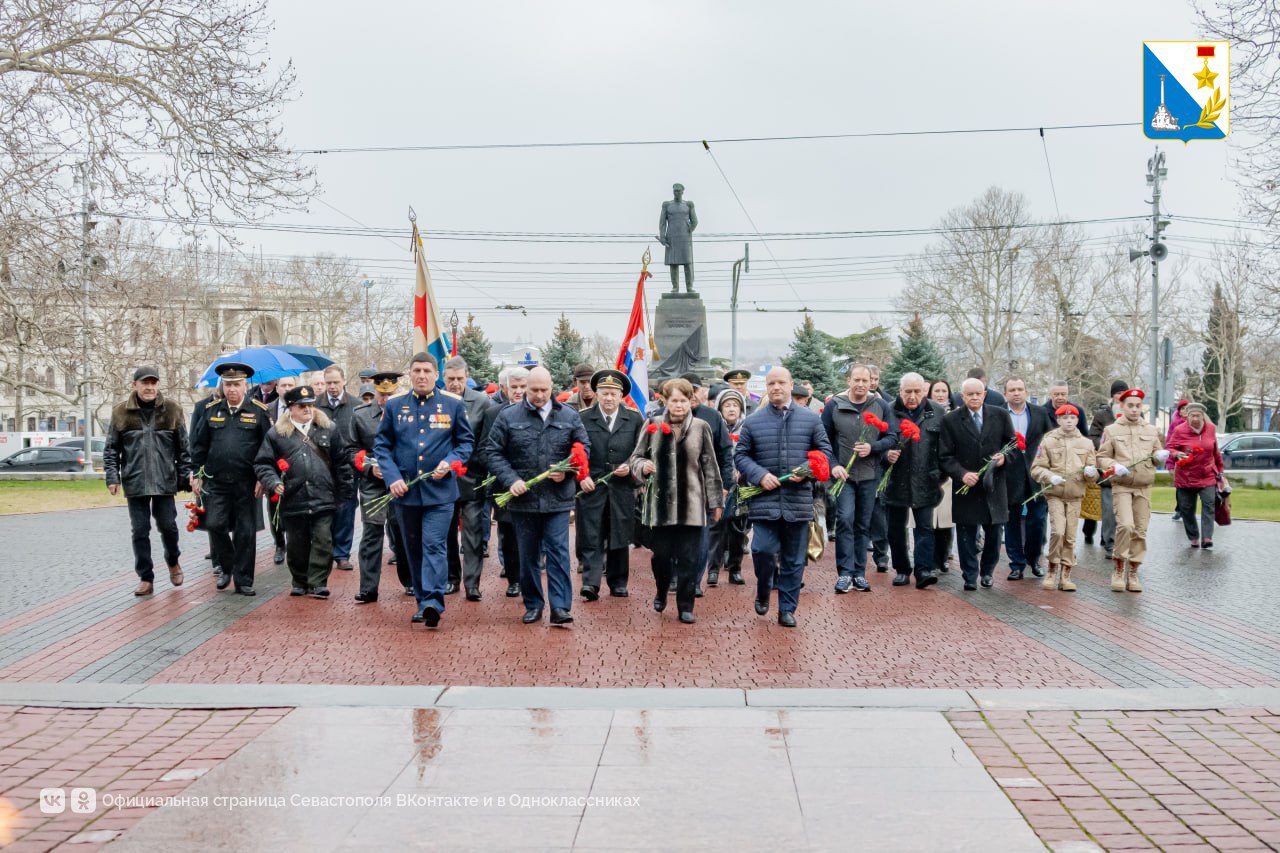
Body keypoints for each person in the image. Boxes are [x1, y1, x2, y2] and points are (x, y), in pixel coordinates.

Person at [372, 352, 473, 627]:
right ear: (411, 373)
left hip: (440, 492)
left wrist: (450, 463)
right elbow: (382, 445)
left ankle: (432, 601)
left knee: (434, 544)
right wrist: (391, 477)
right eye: (417, 370)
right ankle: (421, 600)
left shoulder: (452, 404)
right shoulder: (394, 406)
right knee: (413, 548)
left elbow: (465, 443)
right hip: (405, 492)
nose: (422, 376)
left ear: (436, 374)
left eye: (427, 371)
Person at [483, 365, 590, 626]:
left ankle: (561, 607)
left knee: (558, 552)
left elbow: (583, 447)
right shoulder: (509, 416)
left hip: (557, 498)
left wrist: (567, 471)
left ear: (551, 388)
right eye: (534, 390)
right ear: (525, 389)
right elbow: (493, 451)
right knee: (528, 554)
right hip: (523, 499)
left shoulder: (568, 415)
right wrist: (511, 480)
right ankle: (533, 604)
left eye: (543, 390)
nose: (539, 395)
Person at [735, 366, 834, 627]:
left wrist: (808, 471)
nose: (776, 387)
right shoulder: (754, 421)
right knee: (762, 549)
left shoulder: (811, 419)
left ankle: (787, 608)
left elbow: (824, 451)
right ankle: (764, 588)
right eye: (771, 384)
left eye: (780, 382)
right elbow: (741, 455)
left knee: (793, 558)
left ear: (791, 385)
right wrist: (758, 475)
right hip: (765, 500)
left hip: (797, 500)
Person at [630, 378, 723, 623]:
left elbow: (710, 467)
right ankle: (661, 590)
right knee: (661, 555)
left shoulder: (701, 427)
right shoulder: (653, 424)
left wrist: (716, 502)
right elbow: (635, 458)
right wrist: (642, 466)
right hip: (661, 504)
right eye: (674, 401)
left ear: (691, 401)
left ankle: (685, 605)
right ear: (665, 401)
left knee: (690, 558)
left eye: (684, 400)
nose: (679, 405)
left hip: (692, 503)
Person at [255, 384, 354, 600]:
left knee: (323, 541)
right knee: (297, 543)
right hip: (293, 497)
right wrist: (272, 482)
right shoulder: (276, 434)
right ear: (290, 408)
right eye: (301, 406)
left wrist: (344, 494)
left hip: (323, 496)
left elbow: (341, 462)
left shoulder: (329, 428)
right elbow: (263, 463)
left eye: (310, 405)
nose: (307, 409)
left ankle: (318, 582)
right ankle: (299, 580)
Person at [105, 366, 192, 596]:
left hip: (165, 481)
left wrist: (184, 477)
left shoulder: (172, 410)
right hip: (135, 481)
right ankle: (146, 577)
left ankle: (173, 561)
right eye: (145, 383)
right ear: (135, 385)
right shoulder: (120, 413)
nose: (150, 387)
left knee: (169, 526)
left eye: (154, 383)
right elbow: (111, 450)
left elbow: (183, 448)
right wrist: (112, 477)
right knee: (140, 531)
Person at [188, 362, 272, 596]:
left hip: (247, 482)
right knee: (215, 524)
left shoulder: (258, 411)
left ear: (245, 385)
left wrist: (263, 477)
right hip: (216, 481)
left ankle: (244, 579)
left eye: (236, 384)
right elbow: (199, 445)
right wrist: (196, 473)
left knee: (245, 531)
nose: (232, 389)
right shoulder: (211, 410)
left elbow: (267, 449)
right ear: (222, 386)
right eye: (228, 384)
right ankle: (226, 567)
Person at [823, 364, 896, 593]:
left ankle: (859, 573)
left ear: (871, 382)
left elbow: (892, 436)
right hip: (843, 476)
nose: (861, 384)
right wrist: (833, 466)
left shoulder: (880, 405)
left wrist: (873, 447)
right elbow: (823, 440)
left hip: (869, 475)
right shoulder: (834, 405)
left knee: (863, 524)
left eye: (865, 380)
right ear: (848, 380)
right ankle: (844, 574)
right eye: (857, 380)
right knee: (845, 520)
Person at [940, 378, 1015, 591]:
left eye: (978, 393)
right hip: (967, 487)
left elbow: (1012, 445)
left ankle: (987, 571)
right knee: (966, 534)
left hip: (994, 485)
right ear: (962, 396)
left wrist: (1004, 458)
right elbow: (945, 456)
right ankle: (970, 575)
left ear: (984, 394)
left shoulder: (1000, 415)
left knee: (994, 533)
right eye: (969, 394)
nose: (974, 397)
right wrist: (961, 475)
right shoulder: (951, 420)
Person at [578, 369, 643, 599]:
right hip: (592, 486)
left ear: (621, 396)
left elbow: (641, 451)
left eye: (613, 394)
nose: (608, 398)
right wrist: (581, 476)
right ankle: (591, 583)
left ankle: (618, 582)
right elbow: (575, 451)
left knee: (619, 534)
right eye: (604, 393)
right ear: (596, 393)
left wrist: (629, 466)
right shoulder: (583, 418)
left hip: (621, 488)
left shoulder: (634, 419)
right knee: (591, 534)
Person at [350, 371, 414, 602]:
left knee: (403, 532)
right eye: (381, 394)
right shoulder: (361, 415)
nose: (385, 399)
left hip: (401, 482)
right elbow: (351, 450)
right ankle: (368, 588)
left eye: (390, 394)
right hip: (373, 485)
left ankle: (411, 582)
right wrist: (368, 467)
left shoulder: (410, 412)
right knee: (372, 532)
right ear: (375, 391)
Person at [1097, 389, 1169, 592]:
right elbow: (1101, 457)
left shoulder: (1150, 430)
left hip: (1144, 486)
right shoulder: (1111, 430)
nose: (1135, 409)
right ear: (1122, 406)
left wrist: (1159, 456)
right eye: (1131, 405)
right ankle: (1119, 568)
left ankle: (1133, 572)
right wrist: (1113, 466)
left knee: (1140, 531)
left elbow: (1155, 454)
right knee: (1126, 526)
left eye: (1138, 406)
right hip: (1122, 485)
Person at [442, 356, 498, 600]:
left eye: (459, 378)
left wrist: (480, 469)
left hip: (472, 475)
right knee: (446, 532)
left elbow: (486, 440)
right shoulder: (436, 400)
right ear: (443, 378)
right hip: (442, 477)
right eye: (451, 379)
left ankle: (472, 583)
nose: (455, 383)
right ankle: (451, 578)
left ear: (467, 377)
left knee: (473, 533)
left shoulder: (481, 401)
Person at [884, 372, 944, 589]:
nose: (912, 396)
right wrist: (885, 456)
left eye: (917, 391)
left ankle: (923, 570)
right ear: (900, 391)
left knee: (925, 527)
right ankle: (901, 569)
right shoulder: (888, 410)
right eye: (907, 391)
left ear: (924, 391)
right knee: (895, 529)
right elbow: (879, 442)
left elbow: (944, 449)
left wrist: (938, 475)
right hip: (895, 481)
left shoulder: (937, 412)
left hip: (926, 480)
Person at [1031, 405, 1098, 592]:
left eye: (1072, 418)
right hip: (1055, 494)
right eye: (1064, 417)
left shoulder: (1086, 443)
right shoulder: (1048, 441)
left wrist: (1091, 472)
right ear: (1058, 420)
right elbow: (1037, 468)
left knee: (1070, 536)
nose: (1069, 421)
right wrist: (1049, 476)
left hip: (1075, 495)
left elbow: (1093, 472)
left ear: (1077, 420)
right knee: (1058, 532)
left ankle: (1066, 574)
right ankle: (1052, 569)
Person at [681, 373, 734, 596]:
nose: (692, 394)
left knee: (701, 535)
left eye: (696, 389)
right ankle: (676, 576)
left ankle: (694, 580)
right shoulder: (665, 416)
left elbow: (725, 451)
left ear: (702, 392)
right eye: (687, 390)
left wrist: (724, 484)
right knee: (676, 535)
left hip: (704, 486)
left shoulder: (712, 416)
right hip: (676, 488)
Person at [1002, 376, 1052, 580]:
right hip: (1009, 474)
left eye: (1020, 389)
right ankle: (1016, 564)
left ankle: (1034, 558)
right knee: (1012, 521)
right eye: (1012, 390)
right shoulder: (999, 415)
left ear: (1025, 391)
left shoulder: (1040, 413)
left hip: (1035, 474)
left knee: (1038, 519)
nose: (1016, 393)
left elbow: (1049, 440)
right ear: (1005, 393)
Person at [317, 365, 362, 572]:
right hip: (321, 468)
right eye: (329, 383)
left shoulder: (356, 405)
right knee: (325, 510)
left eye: (336, 382)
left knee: (346, 510)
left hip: (347, 468)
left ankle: (342, 554)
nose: (332, 387)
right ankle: (325, 550)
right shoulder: (316, 405)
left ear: (344, 381)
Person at [490, 366, 529, 596]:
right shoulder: (494, 414)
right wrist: (507, 475)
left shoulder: (540, 412)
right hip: (505, 485)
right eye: (514, 387)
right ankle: (514, 577)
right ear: (504, 389)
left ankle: (529, 574)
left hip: (534, 484)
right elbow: (488, 449)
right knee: (509, 533)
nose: (519, 391)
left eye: (523, 387)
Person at [1166, 402, 1224, 549]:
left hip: (1207, 474)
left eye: (1198, 415)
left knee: (1209, 505)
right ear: (1188, 416)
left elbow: (1215, 450)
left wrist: (1220, 470)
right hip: (1186, 476)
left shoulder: (1210, 428)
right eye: (1192, 415)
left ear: (1202, 416)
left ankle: (1207, 537)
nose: (1195, 418)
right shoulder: (1180, 430)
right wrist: (1176, 454)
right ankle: (1193, 537)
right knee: (1186, 509)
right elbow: (1170, 447)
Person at [708, 388, 749, 585]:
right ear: (720, 408)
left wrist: (744, 471)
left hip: (742, 485)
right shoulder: (714, 427)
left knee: (737, 528)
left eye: (735, 405)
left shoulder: (747, 428)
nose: (731, 409)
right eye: (727, 405)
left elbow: (752, 453)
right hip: (719, 484)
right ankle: (713, 569)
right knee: (716, 526)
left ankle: (735, 568)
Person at [1089, 380, 1129, 557]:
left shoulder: (1133, 413)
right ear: (1112, 396)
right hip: (1107, 469)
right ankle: (1109, 543)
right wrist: (1107, 445)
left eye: (1123, 393)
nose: (1120, 397)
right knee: (1109, 510)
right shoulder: (1102, 415)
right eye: (1117, 394)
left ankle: (1120, 541)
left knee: (1126, 511)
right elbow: (1093, 437)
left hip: (1127, 468)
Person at [264, 374, 298, 563]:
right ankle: (279, 544)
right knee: (274, 507)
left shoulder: (302, 408)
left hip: (296, 466)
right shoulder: (266, 410)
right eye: (283, 385)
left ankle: (295, 543)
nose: (286, 388)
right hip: (273, 467)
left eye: (290, 385)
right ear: (277, 388)